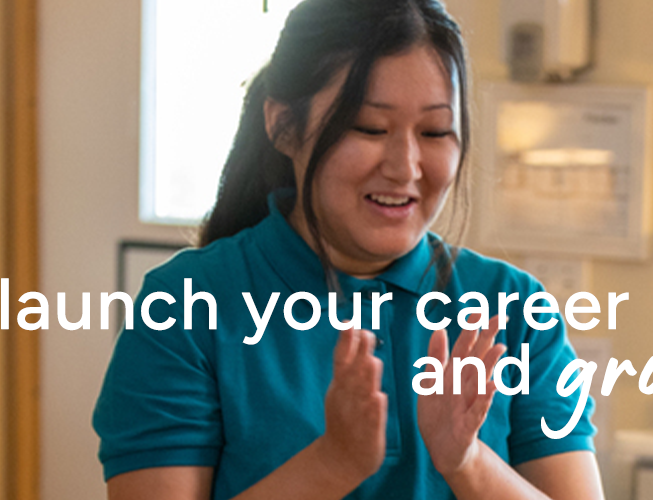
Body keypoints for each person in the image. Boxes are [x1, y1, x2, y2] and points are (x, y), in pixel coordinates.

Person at [92, 1, 603, 498]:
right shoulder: (186, 308)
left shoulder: (512, 309)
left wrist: (469, 462)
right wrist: (332, 463)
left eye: (434, 131)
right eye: (370, 128)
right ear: (284, 126)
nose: (405, 167)